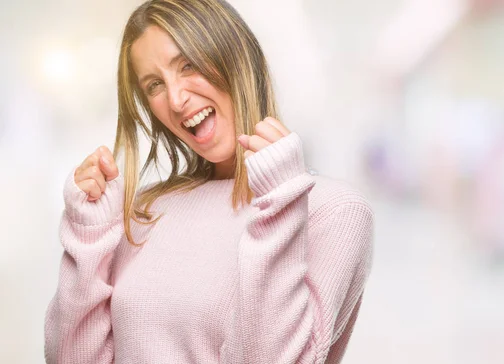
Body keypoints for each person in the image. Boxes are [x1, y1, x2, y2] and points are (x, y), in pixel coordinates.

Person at [44, 0, 374, 363]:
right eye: (155, 85)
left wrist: (281, 200)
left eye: (187, 65)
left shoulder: (334, 211)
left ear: (234, 54)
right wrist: (89, 235)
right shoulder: (144, 213)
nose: (176, 98)